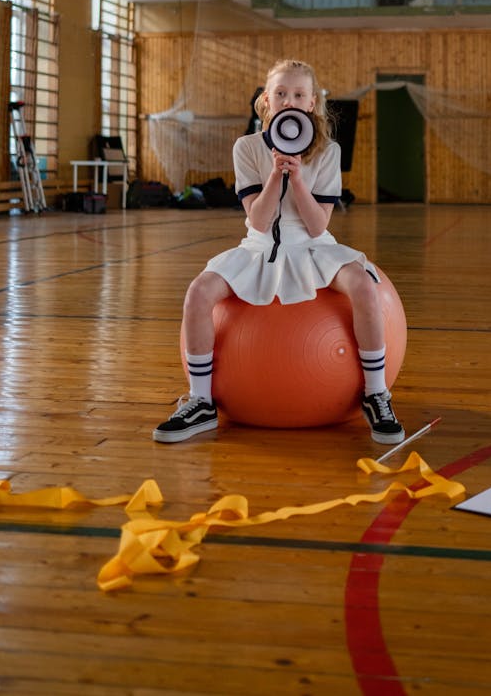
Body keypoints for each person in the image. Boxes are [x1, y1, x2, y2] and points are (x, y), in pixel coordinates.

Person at [153, 58, 406, 446]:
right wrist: (275, 174)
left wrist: (299, 178)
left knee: (363, 285)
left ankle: (376, 394)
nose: (290, 100)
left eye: (299, 94)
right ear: (266, 100)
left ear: (311, 104)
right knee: (199, 293)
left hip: (312, 244)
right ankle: (201, 402)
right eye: (281, 93)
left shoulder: (328, 151)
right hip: (258, 245)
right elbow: (257, 220)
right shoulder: (247, 148)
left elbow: (319, 225)